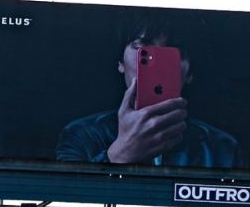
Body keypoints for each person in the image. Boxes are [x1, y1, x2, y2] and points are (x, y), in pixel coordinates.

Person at [56, 16, 239, 167]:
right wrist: (119, 155)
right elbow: (69, 196)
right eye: (141, 48)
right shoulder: (81, 135)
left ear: (190, 72)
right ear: (120, 63)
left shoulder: (223, 148)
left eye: (172, 53)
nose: (157, 65)